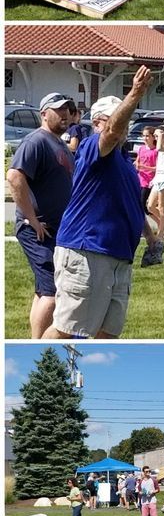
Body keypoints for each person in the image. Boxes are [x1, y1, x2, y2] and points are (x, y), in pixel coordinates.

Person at [42, 68, 164, 340]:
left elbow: (131, 205)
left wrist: (150, 236)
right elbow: (110, 132)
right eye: (118, 120)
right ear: (98, 122)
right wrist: (135, 93)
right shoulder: (93, 148)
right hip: (87, 251)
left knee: (107, 333)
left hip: (118, 257)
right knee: (66, 328)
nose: (124, 128)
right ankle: (39, 371)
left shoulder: (124, 162)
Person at [7, 93, 76, 338]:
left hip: (55, 231)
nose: (65, 113)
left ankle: (34, 340)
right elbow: (14, 177)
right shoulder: (35, 141)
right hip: (38, 229)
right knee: (52, 291)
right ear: (44, 113)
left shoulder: (62, 146)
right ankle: (37, 345)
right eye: (59, 109)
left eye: (68, 109)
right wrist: (31, 218)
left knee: (42, 291)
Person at [133, 126, 158, 215]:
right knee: (136, 203)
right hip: (140, 178)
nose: (145, 138)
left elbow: (157, 168)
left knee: (143, 204)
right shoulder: (141, 148)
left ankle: (161, 221)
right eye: (143, 136)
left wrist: (144, 167)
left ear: (153, 137)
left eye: (147, 136)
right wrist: (136, 164)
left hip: (149, 180)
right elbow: (138, 161)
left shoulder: (156, 151)